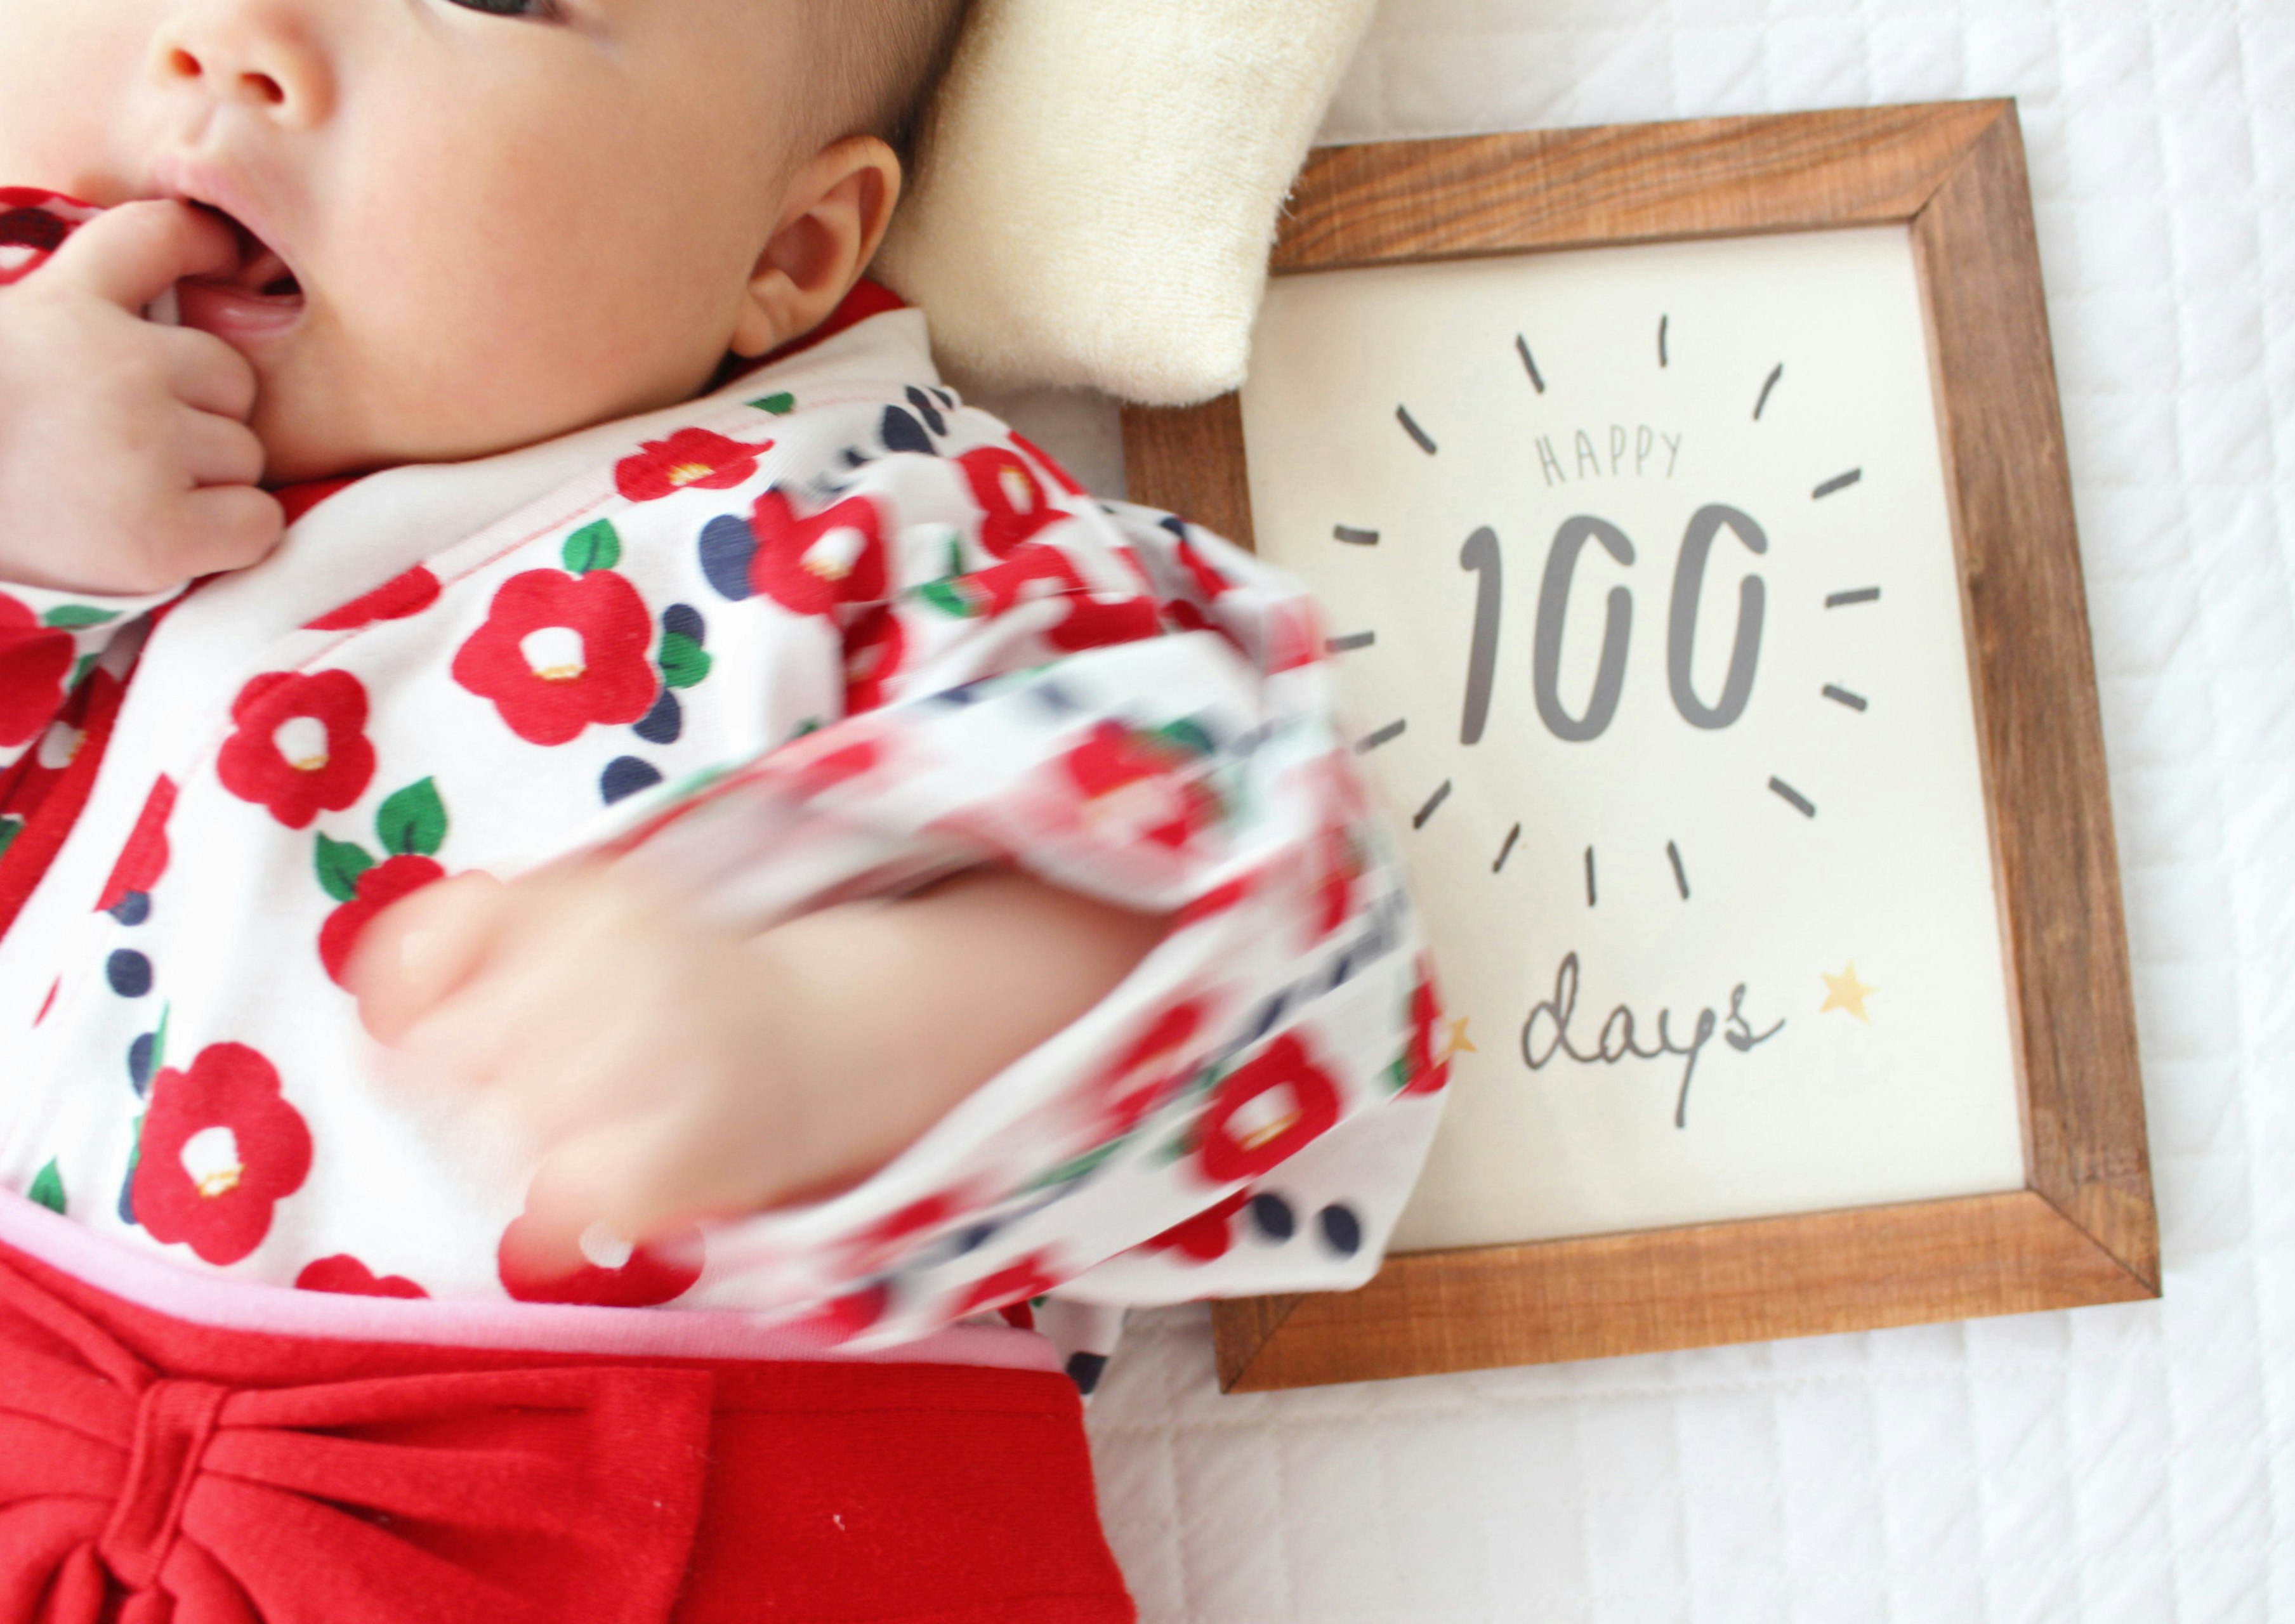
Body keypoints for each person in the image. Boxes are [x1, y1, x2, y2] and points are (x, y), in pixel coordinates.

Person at [0, 2, 1452, 1616]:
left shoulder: (851, 514)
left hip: (709, 1522)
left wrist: (831, 1033)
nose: (232, 41)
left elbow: (1253, 875)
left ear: (792, 247)